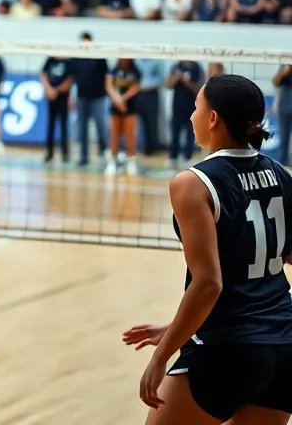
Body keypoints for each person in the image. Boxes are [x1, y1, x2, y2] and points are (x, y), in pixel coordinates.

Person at [122, 74, 292, 422]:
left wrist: (161, 357)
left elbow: (209, 283)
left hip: (227, 348)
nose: (191, 116)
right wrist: (176, 328)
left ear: (213, 118)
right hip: (284, 348)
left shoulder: (193, 183)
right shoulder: (284, 174)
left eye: (197, 108)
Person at [71, 33, 110, 167]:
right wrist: (71, 97)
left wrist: (107, 94)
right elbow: (72, 78)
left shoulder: (99, 57)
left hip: (98, 97)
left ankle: (104, 152)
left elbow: (107, 76)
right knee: (82, 128)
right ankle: (83, 157)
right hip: (82, 97)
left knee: (101, 126)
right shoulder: (76, 58)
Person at [106, 58, 142, 176]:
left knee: (130, 134)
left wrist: (123, 99)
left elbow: (135, 88)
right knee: (114, 135)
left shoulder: (135, 71)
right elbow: (109, 86)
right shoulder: (114, 70)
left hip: (130, 107)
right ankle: (112, 162)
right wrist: (117, 99)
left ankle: (131, 162)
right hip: (116, 107)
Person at [166, 60, 205, 168]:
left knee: (190, 134)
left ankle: (188, 157)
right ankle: (173, 158)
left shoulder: (197, 68)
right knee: (175, 133)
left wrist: (187, 82)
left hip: (192, 107)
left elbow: (200, 88)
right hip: (177, 106)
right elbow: (168, 85)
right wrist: (176, 78)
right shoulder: (176, 66)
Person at [40, 55, 73, 163]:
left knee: (64, 125)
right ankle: (49, 152)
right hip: (51, 97)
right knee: (51, 125)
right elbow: (43, 74)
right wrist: (49, 89)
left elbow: (70, 79)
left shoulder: (68, 61)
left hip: (63, 97)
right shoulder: (50, 60)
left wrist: (57, 90)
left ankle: (65, 153)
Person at [275, 64, 292, 167]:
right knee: (284, 141)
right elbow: (275, 82)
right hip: (284, 108)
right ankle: (283, 167)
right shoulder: (286, 64)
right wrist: (284, 72)